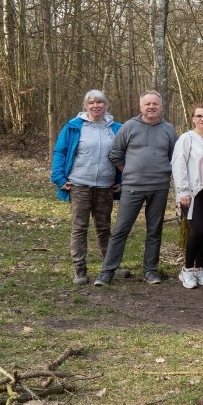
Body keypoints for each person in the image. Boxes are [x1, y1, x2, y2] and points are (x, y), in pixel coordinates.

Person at [94, 90, 177, 286]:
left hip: (159, 187)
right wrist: (129, 170)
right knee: (121, 229)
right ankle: (107, 272)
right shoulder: (129, 127)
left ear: (161, 107)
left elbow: (176, 157)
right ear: (140, 107)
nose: (151, 107)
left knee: (154, 230)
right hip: (132, 187)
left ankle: (151, 270)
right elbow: (115, 153)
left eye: (155, 104)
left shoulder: (169, 129)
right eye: (147, 104)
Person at [51, 90, 122, 285]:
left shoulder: (116, 128)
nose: (95, 106)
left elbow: (123, 156)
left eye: (99, 102)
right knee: (79, 227)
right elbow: (60, 151)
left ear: (106, 105)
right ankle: (80, 269)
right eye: (91, 103)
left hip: (105, 186)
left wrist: (121, 180)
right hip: (79, 184)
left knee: (104, 228)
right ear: (86, 106)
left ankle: (109, 267)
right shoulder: (74, 127)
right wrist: (58, 177)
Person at [171, 103, 203, 289]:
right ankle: (187, 269)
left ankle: (200, 268)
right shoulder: (187, 138)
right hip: (193, 191)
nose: (202, 119)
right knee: (197, 229)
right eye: (198, 116)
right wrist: (182, 190)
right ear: (193, 119)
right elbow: (178, 164)